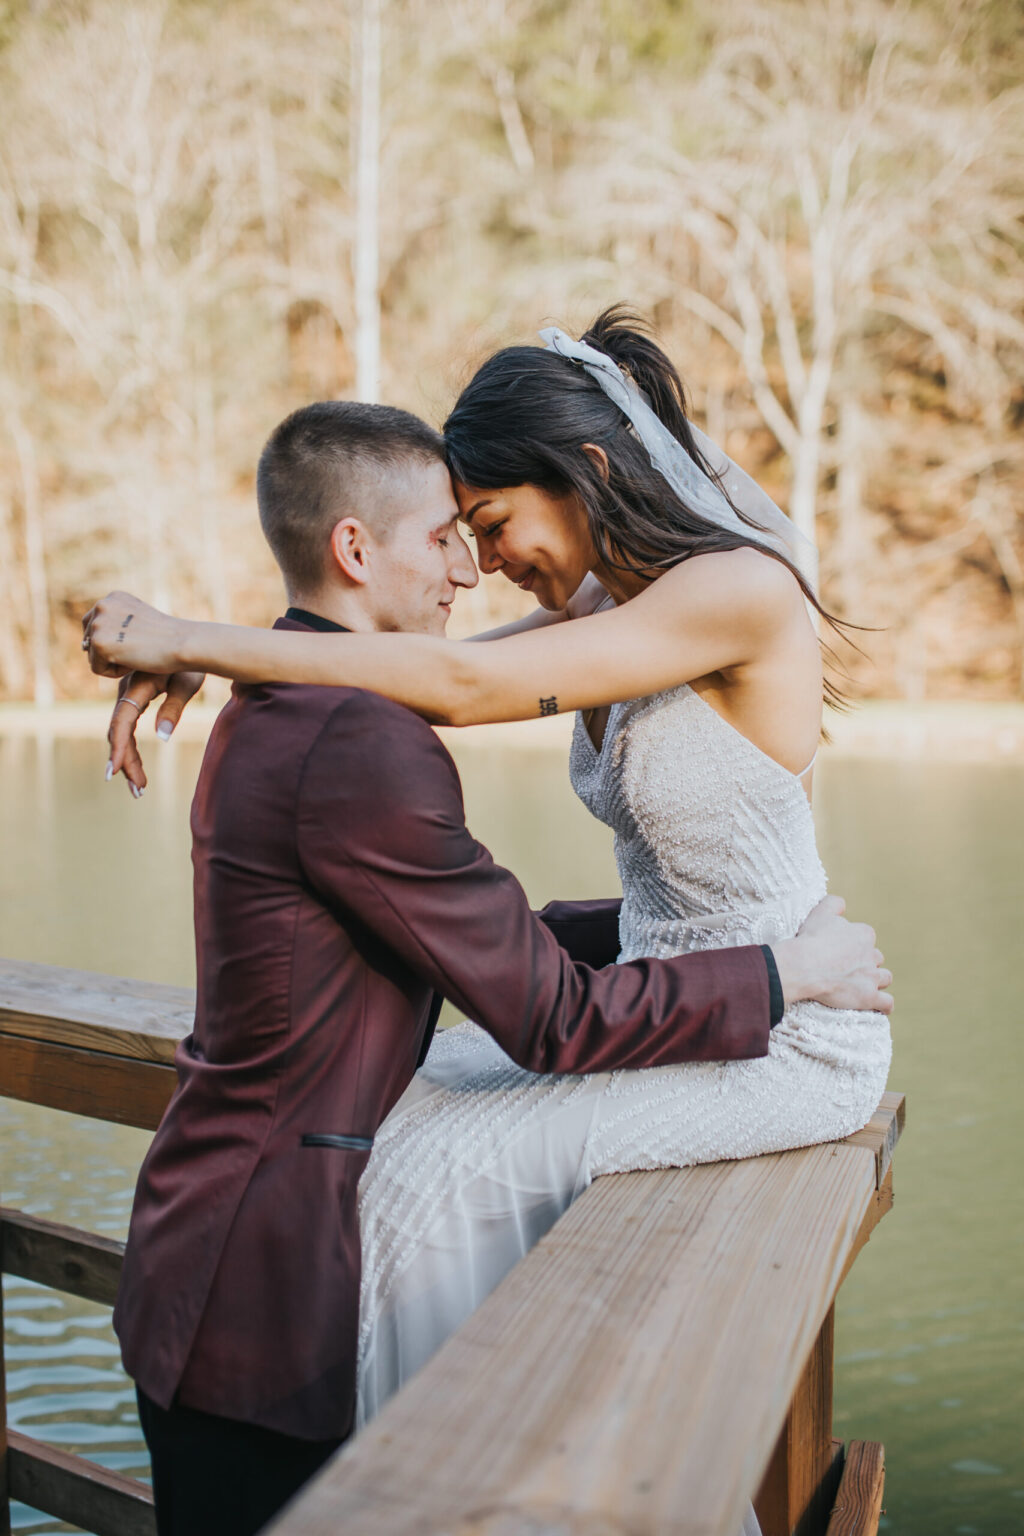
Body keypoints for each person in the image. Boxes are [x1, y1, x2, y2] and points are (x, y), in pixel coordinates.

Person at [87, 397, 890, 1536]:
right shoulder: (357, 736)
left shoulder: (286, 704)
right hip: (258, 1296)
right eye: (443, 535)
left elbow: (451, 926)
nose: (467, 570)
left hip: (213, 1245)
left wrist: (676, 926)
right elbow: (551, 1023)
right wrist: (777, 974)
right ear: (354, 549)